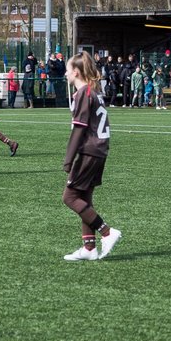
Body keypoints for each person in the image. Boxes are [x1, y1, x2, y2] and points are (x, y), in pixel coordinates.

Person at [62, 51, 122, 261]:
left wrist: (69, 158)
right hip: (99, 150)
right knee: (84, 198)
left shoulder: (83, 93)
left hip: (90, 151)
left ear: (76, 72)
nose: (65, 74)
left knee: (69, 197)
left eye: (68, 70)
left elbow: (79, 129)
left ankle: (106, 232)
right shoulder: (92, 91)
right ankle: (89, 248)